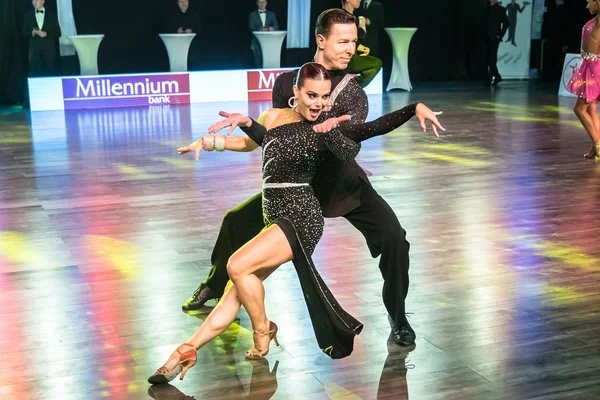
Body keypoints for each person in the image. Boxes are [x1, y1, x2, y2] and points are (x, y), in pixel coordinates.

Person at [148, 62, 444, 384]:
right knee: (238, 291)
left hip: (300, 217)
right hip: (273, 216)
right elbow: (265, 140)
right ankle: (187, 350)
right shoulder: (276, 118)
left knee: (236, 266)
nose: (319, 103)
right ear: (296, 93)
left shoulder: (329, 128)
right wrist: (234, 128)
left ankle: (263, 331)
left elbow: (374, 128)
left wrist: (413, 108)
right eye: (312, 95)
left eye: (325, 97)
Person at [182, 9, 441, 348]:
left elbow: (348, 142)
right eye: (343, 41)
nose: (350, 49)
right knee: (235, 223)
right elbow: (274, 139)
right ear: (321, 40)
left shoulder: (352, 92)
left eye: (354, 42)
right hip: (298, 187)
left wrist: (407, 110)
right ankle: (213, 286)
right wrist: (219, 140)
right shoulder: (288, 83)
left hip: (342, 183)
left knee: (394, 239)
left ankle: (398, 316)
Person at [566, 0, 600, 160]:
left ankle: (598, 144)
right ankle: (595, 149)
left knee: (580, 109)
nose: (587, 6)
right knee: (591, 108)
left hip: (595, 70)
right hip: (590, 66)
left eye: (589, 2)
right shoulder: (596, 20)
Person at [341, 0, 383, 88]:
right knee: (376, 63)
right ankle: (351, 86)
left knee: (375, 63)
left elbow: (357, 38)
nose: (360, 0)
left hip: (354, 55)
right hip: (347, 58)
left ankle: (350, 85)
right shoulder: (343, 17)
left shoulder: (353, 17)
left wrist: (361, 47)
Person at [22, 0, 61, 77]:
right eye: (33, 0)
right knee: (34, 72)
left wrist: (46, 34)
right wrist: (32, 32)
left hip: (48, 49)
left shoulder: (51, 15)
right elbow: (24, 32)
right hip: (34, 50)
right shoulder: (28, 15)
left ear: (43, 1)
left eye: (36, 0)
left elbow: (58, 33)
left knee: (50, 72)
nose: (34, 2)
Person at [248, 0, 280, 68]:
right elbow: (251, 27)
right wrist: (260, 29)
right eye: (260, 2)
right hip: (256, 42)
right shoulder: (252, 15)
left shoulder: (272, 14)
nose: (262, 4)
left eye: (263, 2)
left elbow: (276, 26)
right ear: (257, 3)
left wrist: (272, 28)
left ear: (266, 3)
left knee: (269, 60)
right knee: (258, 60)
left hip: (270, 42)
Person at [485, 0, 510, 86]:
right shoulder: (486, 9)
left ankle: (490, 79)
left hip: (495, 38)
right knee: (489, 58)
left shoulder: (500, 10)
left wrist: (500, 35)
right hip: (486, 37)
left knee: (492, 58)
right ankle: (497, 76)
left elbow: (506, 23)